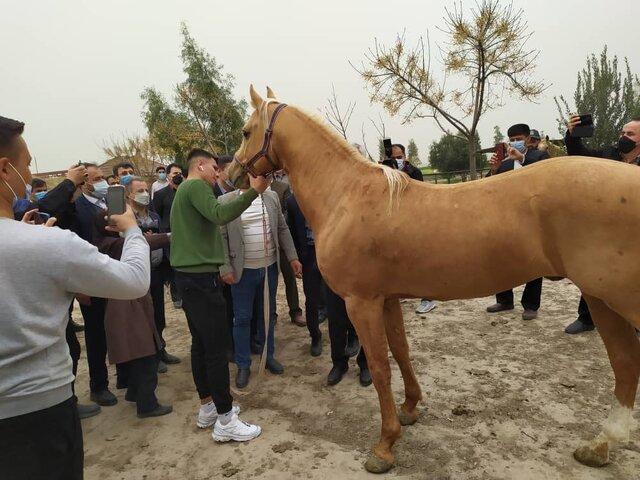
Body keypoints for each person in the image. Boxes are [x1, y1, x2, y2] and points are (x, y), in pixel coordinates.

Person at [0, 115, 151, 480]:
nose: (28, 174)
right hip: (38, 415)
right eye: (26, 165)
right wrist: (132, 233)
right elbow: (133, 280)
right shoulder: (45, 244)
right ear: (5, 170)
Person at [170, 148, 269, 442]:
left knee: (200, 345)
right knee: (215, 348)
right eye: (214, 167)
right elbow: (220, 214)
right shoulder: (195, 186)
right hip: (200, 279)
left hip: (190, 278)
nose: (218, 173)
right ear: (200, 166)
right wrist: (253, 192)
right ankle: (226, 420)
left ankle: (208, 407)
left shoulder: (186, 190)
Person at [219, 178, 301, 388]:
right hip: (242, 272)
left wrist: (292, 257)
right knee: (243, 318)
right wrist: (225, 267)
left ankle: (268, 356)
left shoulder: (271, 197)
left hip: (268, 268)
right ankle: (243, 364)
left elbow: (282, 229)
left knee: (267, 314)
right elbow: (220, 237)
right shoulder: (226, 200)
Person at [563, 116, 640, 334]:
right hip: (605, 230)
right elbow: (579, 154)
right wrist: (572, 134)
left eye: (630, 134)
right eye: (622, 133)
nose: (623, 137)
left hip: (635, 232)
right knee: (593, 274)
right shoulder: (608, 155)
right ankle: (587, 318)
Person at [93, 211, 172, 418]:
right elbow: (147, 242)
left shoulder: (105, 243)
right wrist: (170, 236)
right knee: (144, 354)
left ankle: (134, 392)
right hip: (127, 306)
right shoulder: (111, 244)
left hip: (126, 304)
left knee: (136, 352)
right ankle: (147, 404)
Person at [486, 123, 550, 320]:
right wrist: (495, 169)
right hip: (506, 218)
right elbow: (489, 188)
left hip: (532, 218)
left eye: (519, 138)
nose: (515, 142)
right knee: (501, 259)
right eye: (511, 139)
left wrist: (521, 159)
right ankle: (504, 299)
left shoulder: (540, 158)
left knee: (533, 261)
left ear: (528, 139)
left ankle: (530, 305)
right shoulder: (504, 164)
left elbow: (544, 179)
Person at [74, 163, 118, 406]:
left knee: (119, 326)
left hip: (114, 272)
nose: (103, 182)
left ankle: (125, 376)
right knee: (96, 334)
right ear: (84, 183)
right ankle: (98, 385)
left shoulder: (110, 204)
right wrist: (79, 287)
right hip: (91, 279)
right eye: (97, 178)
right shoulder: (77, 209)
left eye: (104, 177)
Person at [125, 177, 180, 369]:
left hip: (156, 272)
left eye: (145, 190)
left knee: (158, 314)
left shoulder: (154, 217)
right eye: (139, 190)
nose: (144, 194)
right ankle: (150, 357)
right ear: (128, 194)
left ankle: (160, 349)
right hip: (137, 273)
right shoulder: (127, 219)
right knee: (143, 317)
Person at [390, 144, 437, 315]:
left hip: (416, 221)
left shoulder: (414, 171)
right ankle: (404, 290)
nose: (398, 160)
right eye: (394, 157)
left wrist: (405, 171)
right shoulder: (385, 171)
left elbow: (418, 192)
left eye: (400, 156)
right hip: (396, 223)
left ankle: (428, 297)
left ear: (405, 155)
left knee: (421, 261)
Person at [287, 193, 324, 356]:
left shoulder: (328, 195)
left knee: (339, 298)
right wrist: (295, 259)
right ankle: (315, 336)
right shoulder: (293, 201)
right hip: (308, 254)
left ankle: (350, 337)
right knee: (311, 299)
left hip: (331, 253)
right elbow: (292, 231)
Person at [271, 170, 305, 327]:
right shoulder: (251, 190)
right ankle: (271, 314)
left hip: (281, 240)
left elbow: (287, 212)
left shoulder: (281, 187)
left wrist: (276, 222)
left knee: (290, 278)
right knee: (269, 281)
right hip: (265, 244)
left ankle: (295, 311)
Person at [324, 283, 372, 387]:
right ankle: (339, 363)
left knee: (366, 316)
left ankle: (366, 363)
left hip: (364, 273)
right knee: (335, 316)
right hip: (335, 272)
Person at [153, 162, 184, 309]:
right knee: (174, 267)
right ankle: (176, 296)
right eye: (174, 173)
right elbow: (157, 215)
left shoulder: (186, 191)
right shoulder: (160, 195)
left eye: (179, 173)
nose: (177, 176)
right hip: (169, 235)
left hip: (187, 234)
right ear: (168, 175)